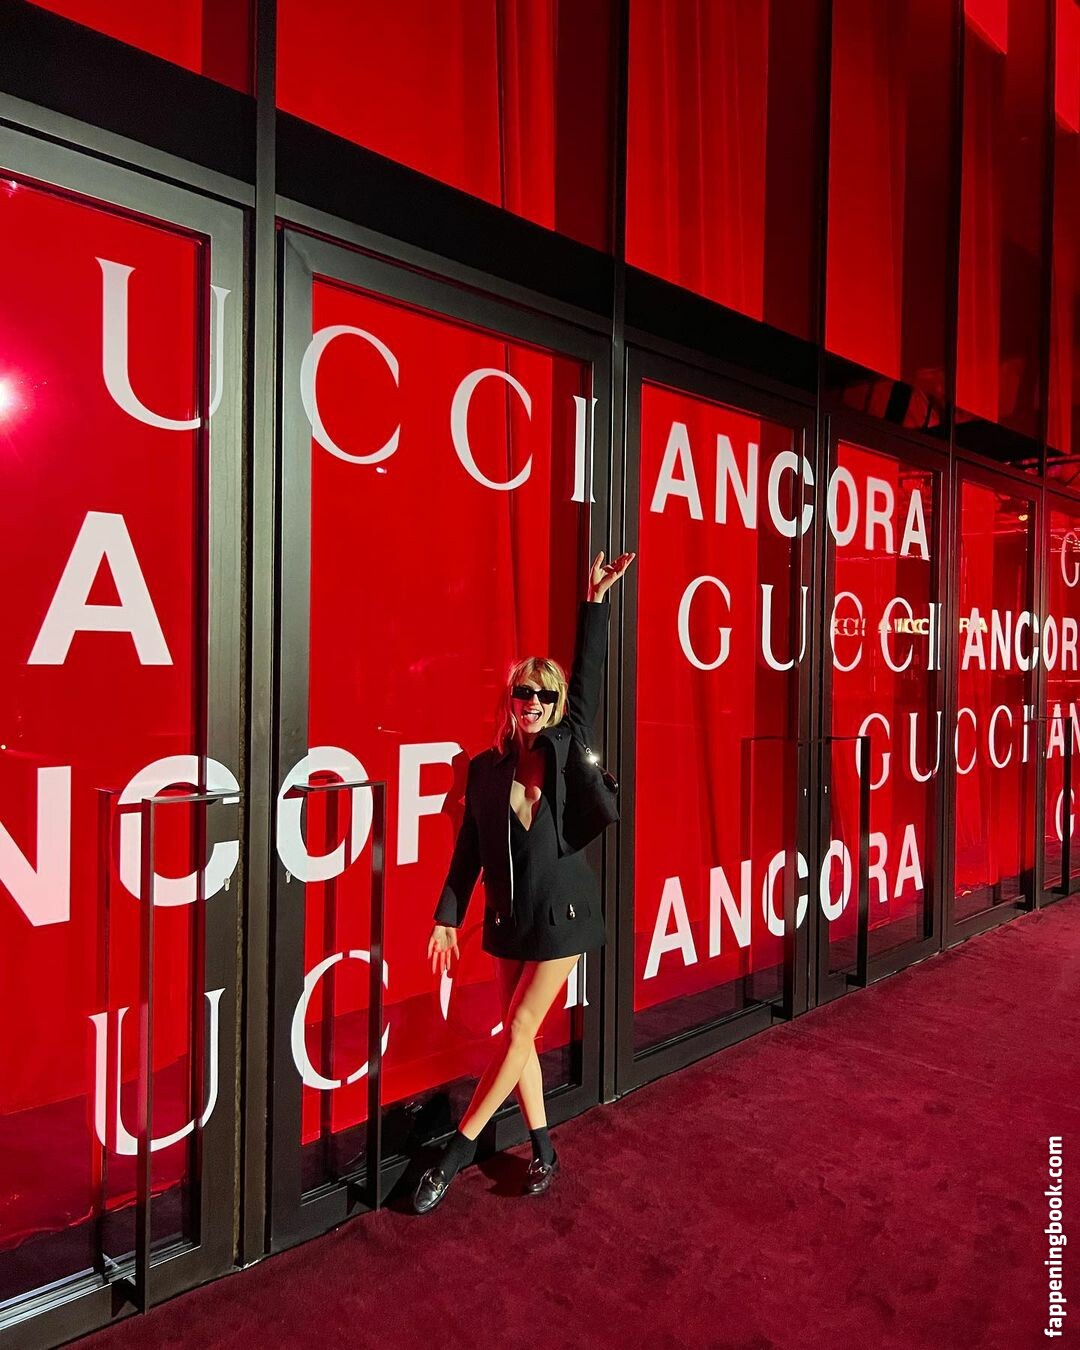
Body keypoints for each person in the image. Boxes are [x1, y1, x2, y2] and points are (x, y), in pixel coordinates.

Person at [413, 548, 636, 1213]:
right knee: (520, 1037)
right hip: (509, 916)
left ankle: (454, 1154)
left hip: (564, 914)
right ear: (509, 701)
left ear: (556, 704)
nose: (532, 703)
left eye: (544, 695)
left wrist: (594, 601)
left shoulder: (564, 748)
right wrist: (447, 915)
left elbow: (589, 676)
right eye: (523, 693)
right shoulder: (485, 770)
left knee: (517, 1028)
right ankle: (543, 1149)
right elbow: (470, 851)